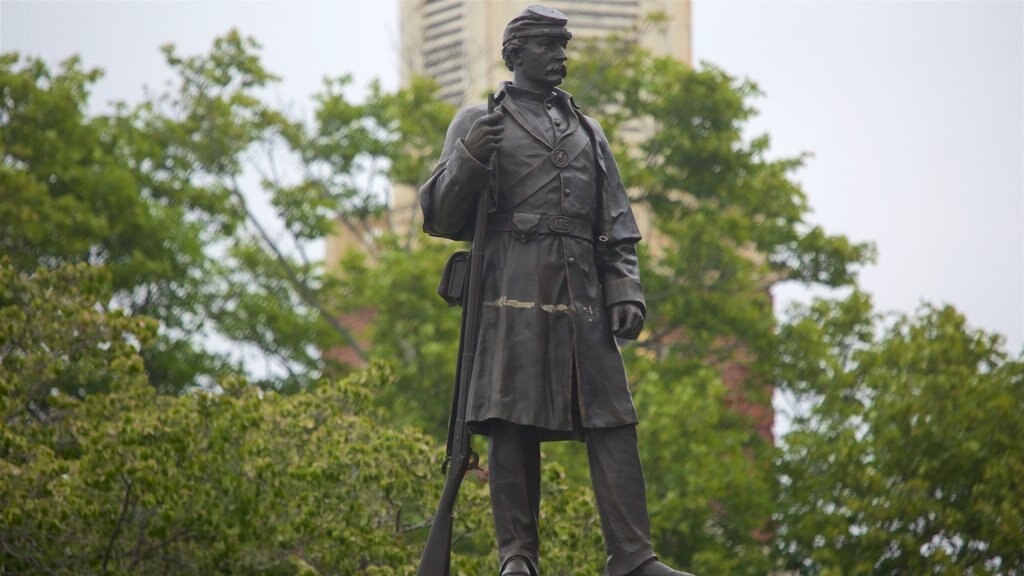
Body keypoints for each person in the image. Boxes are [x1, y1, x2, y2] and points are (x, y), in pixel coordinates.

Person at [419, 6, 693, 576]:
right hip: (512, 289)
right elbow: (442, 216)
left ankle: (634, 558)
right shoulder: (478, 120)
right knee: (511, 420)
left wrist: (625, 290)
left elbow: (615, 221)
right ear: (516, 55)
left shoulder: (589, 131)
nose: (561, 56)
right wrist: (472, 156)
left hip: (584, 294)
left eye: (563, 45)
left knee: (614, 421)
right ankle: (517, 557)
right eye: (548, 46)